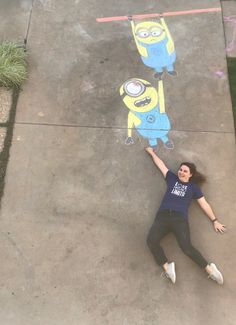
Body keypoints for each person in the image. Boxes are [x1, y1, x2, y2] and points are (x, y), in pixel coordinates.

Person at [145, 147, 226, 284]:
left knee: (186, 248)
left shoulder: (193, 188)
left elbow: (204, 204)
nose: (181, 172)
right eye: (180, 169)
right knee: (151, 241)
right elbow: (161, 165)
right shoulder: (172, 178)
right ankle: (167, 267)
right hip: (162, 217)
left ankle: (210, 270)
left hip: (179, 220)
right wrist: (151, 152)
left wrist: (215, 220)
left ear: (190, 175)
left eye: (185, 171)